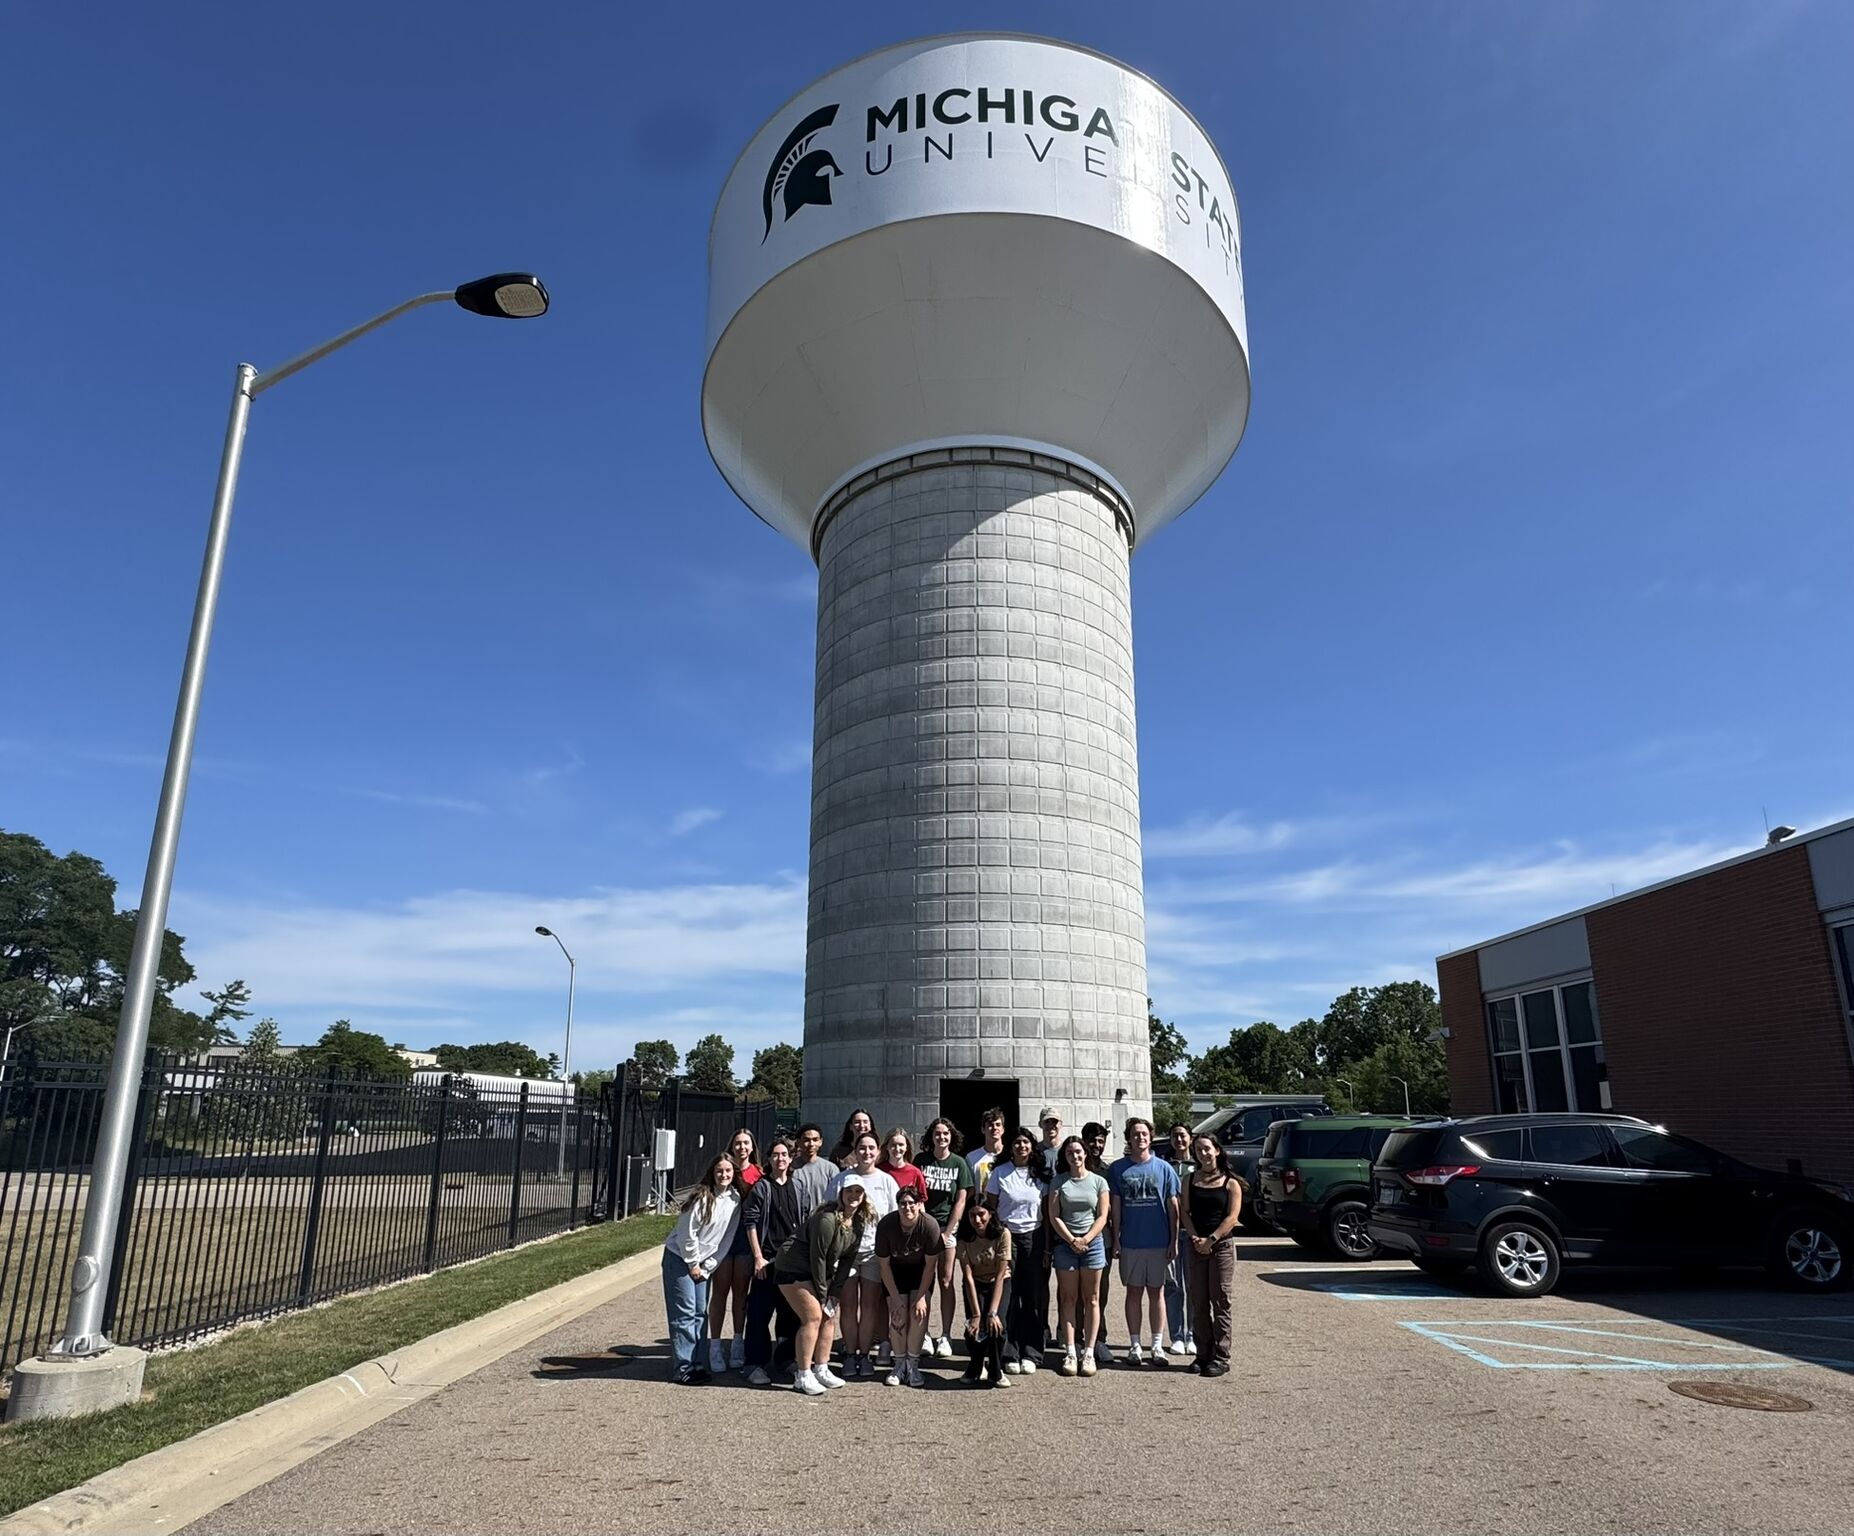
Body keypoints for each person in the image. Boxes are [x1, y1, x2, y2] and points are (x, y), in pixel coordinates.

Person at [775, 1179, 868, 1395]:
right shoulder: (827, 1219)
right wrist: (823, 1293)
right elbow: (818, 1258)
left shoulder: (858, 1224)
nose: (853, 1195)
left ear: (863, 1197)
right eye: (849, 1191)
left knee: (829, 1314)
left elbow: (846, 1262)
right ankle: (803, 1374)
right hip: (792, 1267)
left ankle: (822, 1368)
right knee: (813, 1316)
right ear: (841, 1193)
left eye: (858, 1191)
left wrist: (834, 1294)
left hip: (817, 1271)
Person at [660, 1154, 740, 1385]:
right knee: (684, 1314)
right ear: (712, 1173)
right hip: (680, 1259)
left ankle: (697, 1362)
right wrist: (693, 1263)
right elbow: (687, 1234)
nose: (724, 1175)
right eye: (719, 1171)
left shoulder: (735, 1199)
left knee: (699, 1313)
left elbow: (726, 1238)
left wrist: (709, 1265)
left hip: (704, 1263)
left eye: (728, 1171)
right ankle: (683, 1366)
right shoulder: (701, 1198)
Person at [825, 1132, 899, 1378]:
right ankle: (848, 1354)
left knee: (869, 1306)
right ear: (854, 1151)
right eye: (862, 1148)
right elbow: (828, 1214)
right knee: (848, 1306)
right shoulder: (841, 1179)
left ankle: (864, 1355)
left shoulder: (887, 1181)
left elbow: (894, 1217)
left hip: (873, 1254)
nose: (867, 1153)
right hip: (846, 1253)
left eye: (871, 1148)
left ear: (879, 1151)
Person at [1109, 1118, 1180, 1367]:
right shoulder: (1118, 1169)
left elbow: (1173, 1207)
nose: (1140, 1137)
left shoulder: (1164, 1169)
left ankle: (1157, 1345)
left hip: (1159, 1241)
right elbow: (1115, 1206)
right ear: (1129, 1138)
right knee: (1133, 1291)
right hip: (1131, 1241)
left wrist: (1174, 1240)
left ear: (1151, 1138)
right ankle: (1135, 1344)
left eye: (1144, 1134)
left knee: (1157, 1292)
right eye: (1136, 1134)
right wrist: (1116, 1237)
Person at [985, 1126, 1050, 1373]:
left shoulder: (1041, 1176)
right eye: (1017, 1143)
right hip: (1007, 1237)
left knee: (1033, 1297)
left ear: (1032, 1147)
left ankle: (1031, 1353)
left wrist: (1046, 1249)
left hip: (1033, 1237)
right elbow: (990, 1210)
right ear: (1010, 1148)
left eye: (1025, 1142)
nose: (1021, 1146)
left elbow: (1046, 1213)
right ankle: (1008, 1352)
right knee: (1009, 1296)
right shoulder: (999, 1173)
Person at [1046, 1135, 1110, 1377]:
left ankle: (1090, 1352)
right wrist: (1071, 1240)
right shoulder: (1058, 1182)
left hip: (1093, 1244)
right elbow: (1054, 1215)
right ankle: (1071, 1351)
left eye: (1079, 1151)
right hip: (1065, 1245)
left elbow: (1103, 1216)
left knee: (1092, 1299)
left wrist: (1086, 1239)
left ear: (1086, 1154)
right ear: (1065, 1156)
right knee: (1068, 1299)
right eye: (1070, 1152)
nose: (1075, 1156)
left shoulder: (1099, 1182)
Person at [1182, 1132, 1242, 1377]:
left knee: (1221, 1301)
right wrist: (1196, 1237)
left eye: (1207, 1149)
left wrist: (1212, 1239)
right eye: (1198, 1150)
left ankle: (1221, 1355)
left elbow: (1232, 1217)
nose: (1203, 1154)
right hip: (1197, 1246)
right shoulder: (1189, 1180)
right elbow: (1185, 1211)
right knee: (1198, 1301)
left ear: (1217, 1150)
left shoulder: (1230, 1183)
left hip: (1221, 1247)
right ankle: (1202, 1353)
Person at [742, 1137, 799, 1385]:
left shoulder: (798, 1186)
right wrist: (757, 1256)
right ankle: (755, 1363)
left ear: (790, 1158)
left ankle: (786, 1359)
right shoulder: (761, 1187)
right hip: (766, 1260)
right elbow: (751, 1222)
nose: (780, 1159)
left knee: (790, 1313)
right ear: (768, 1159)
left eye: (784, 1154)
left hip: (790, 1262)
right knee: (759, 1314)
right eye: (776, 1154)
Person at [706, 1127, 761, 1372]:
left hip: (746, 1240)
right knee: (720, 1292)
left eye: (746, 1143)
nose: (742, 1147)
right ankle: (715, 1346)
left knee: (741, 1294)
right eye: (737, 1143)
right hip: (722, 1239)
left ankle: (737, 1342)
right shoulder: (724, 1168)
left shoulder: (758, 1173)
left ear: (752, 1147)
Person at [875, 1185, 942, 1386]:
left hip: (920, 1271)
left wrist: (921, 1297)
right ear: (898, 1206)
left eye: (912, 1203)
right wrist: (895, 1299)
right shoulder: (887, 1225)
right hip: (895, 1271)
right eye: (903, 1204)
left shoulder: (929, 1225)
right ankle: (899, 1363)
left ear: (919, 1205)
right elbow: (884, 1266)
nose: (907, 1208)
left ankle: (913, 1364)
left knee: (918, 1313)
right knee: (897, 1314)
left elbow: (931, 1265)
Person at [919, 1117, 972, 1359]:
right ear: (931, 1136)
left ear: (952, 1137)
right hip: (924, 1228)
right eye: (938, 1133)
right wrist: (926, 1227)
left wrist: (948, 1232)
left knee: (946, 1280)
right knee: (924, 1281)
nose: (942, 1137)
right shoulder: (921, 1161)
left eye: (946, 1133)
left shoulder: (959, 1163)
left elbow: (961, 1200)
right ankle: (924, 1335)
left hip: (948, 1228)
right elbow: (916, 1196)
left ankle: (946, 1335)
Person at [956, 1195, 1014, 1388]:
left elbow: (1000, 1274)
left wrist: (992, 1312)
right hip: (975, 1283)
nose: (977, 1220)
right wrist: (976, 1314)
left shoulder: (1002, 1234)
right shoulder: (964, 1237)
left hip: (998, 1281)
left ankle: (996, 1369)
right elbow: (968, 1277)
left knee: (997, 1324)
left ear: (990, 1214)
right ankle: (976, 1364)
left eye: (981, 1214)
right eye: (972, 1216)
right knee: (974, 1327)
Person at [1083, 1121, 1117, 1366]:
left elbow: (1113, 1210)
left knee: (1098, 1294)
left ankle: (1099, 1339)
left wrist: (1115, 1239)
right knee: (1071, 1294)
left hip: (1101, 1241)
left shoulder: (1107, 1171)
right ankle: (1072, 1339)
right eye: (1092, 1140)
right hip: (1072, 1240)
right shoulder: (1073, 1167)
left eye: (1100, 1141)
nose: (1096, 1145)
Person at [1161, 1121, 1196, 1360]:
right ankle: (1176, 1336)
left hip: (1193, 1231)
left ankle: (1192, 1334)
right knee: (1173, 1286)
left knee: (1193, 1286)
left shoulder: (1200, 1164)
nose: (1179, 1140)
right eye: (1175, 1136)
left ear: (1190, 1138)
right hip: (1168, 1234)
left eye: (1183, 1136)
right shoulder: (1165, 1166)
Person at [788, 1123, 835, 1218]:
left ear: (820, 1142)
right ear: (798, 1142)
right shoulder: (790, 1168)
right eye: (806, 1140)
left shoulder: (830, 1169)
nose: (811, 1144)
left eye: (815, 1140)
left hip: (823, 1221)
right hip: (797, 1221)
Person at [879, 1127, 929, 1202]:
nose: (897, 1148)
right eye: (893, 1145)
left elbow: (921, 1201)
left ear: (906, 1147)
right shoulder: (879, 1170)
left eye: (901, 1145)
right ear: (887, 1147)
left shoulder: (915, 1172)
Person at [965, 1107, 1007, 1190]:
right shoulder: (971, 1158)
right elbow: (969, 1190)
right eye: (990, 1125)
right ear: (983, 1129)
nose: (995, 1128)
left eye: (998, 1124)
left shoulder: (1011, 1155)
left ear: (1003, 1130)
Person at [1037, 1107, 1065, 1174]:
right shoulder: (1035, 1150)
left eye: (1054, 1122)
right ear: (1040, 1124)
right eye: (1047, 1122)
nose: (1051, 1125)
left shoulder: (1067, 1149)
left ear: (1060, 1124)